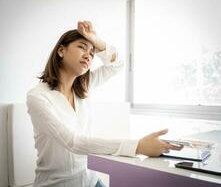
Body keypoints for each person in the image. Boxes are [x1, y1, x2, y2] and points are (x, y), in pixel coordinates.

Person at [26, 20, 182, 187]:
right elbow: (72, 142)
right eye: (82, 47)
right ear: (61, 50)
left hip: (92, 181)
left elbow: (117, 64)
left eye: (92, 53)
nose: (88, 55)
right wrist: (138, 146)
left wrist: (94, 39)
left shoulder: (85, 86)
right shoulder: (38, 96)